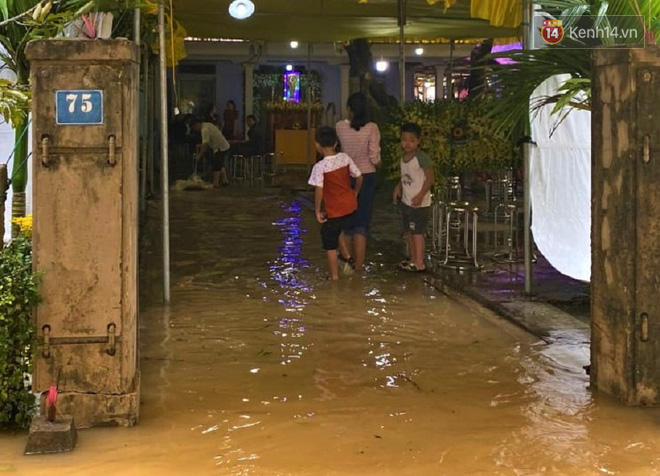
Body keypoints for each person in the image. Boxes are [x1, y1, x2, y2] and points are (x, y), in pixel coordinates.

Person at [308, 126, 363, 281]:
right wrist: (355, 193)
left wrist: (317, 210)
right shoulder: (345, 158)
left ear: (317, 145)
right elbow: (359, 177)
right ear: (336, 143)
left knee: (329, 242)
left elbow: (319, 190)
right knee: (336, 225)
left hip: (334, 209)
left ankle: (334, 277)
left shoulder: (320, 167)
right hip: (350, 206)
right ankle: (346, 255)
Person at [335, 92, 381, 273]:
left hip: (346, 177)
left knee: (346, 222)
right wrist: (379, 165)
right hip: (367, 176)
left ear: (350, 109)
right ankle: (359, 268)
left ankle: (346, 263)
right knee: (361, 224)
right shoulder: (372, 128)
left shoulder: (340, 127)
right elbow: (374, 156)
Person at [392, 122, 434, 273]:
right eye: (404, 139)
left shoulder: (421, 158)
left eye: (411, 140)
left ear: (418, 141)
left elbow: (429, 178)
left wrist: (420, 195)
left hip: (420, 203)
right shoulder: (403, 158)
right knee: (409, 231)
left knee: (417, 232)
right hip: (407, 201)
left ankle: (419, 262)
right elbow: (405, 176)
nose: (407, 143)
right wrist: (398, 188)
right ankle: (412, 258)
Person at [191, 118, 231, 186]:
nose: (195, 130)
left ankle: (216, 183)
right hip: (222, 145)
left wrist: (199, 155)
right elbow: (209, 140)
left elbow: (205, 143)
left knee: (216, 164)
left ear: (196, 125)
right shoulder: (207, 124)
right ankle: (225, 180)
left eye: (194, 128)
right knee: (219, 163)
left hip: (220, 147)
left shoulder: (204, 130)